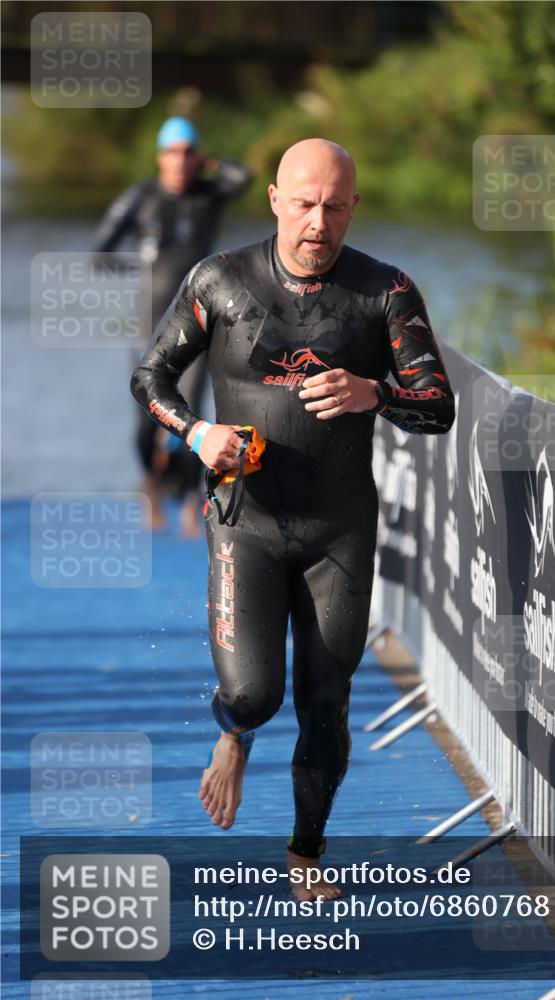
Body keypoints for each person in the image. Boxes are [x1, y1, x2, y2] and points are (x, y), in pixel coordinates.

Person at [130, 138, 455, 900]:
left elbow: (437, 407)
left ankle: (306, 854)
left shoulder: (386, 292)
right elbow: (150, 376)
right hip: (246, 519)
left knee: (326, 696)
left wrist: (377, 392)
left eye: (334, 207)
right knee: (254, 695)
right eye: (304, 204)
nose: (318, 223)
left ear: (353, 207)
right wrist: (197, 432)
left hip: (338, 529)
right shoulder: (221, 281)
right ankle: (234, 736)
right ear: (274, 198)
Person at [94, 116, 252, 534]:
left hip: (198, 325)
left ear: (196, 157)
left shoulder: (208, 194)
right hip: (149, 322)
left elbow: (245, 176)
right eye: (173, 153)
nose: (180, 162)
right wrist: (137, 269)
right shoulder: (142, 197)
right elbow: (100, 250)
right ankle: (150, 479)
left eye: (188, 154)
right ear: (160, 157)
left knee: (192, 412)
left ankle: (187, 497)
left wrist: (212, 163)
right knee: (149, 418)